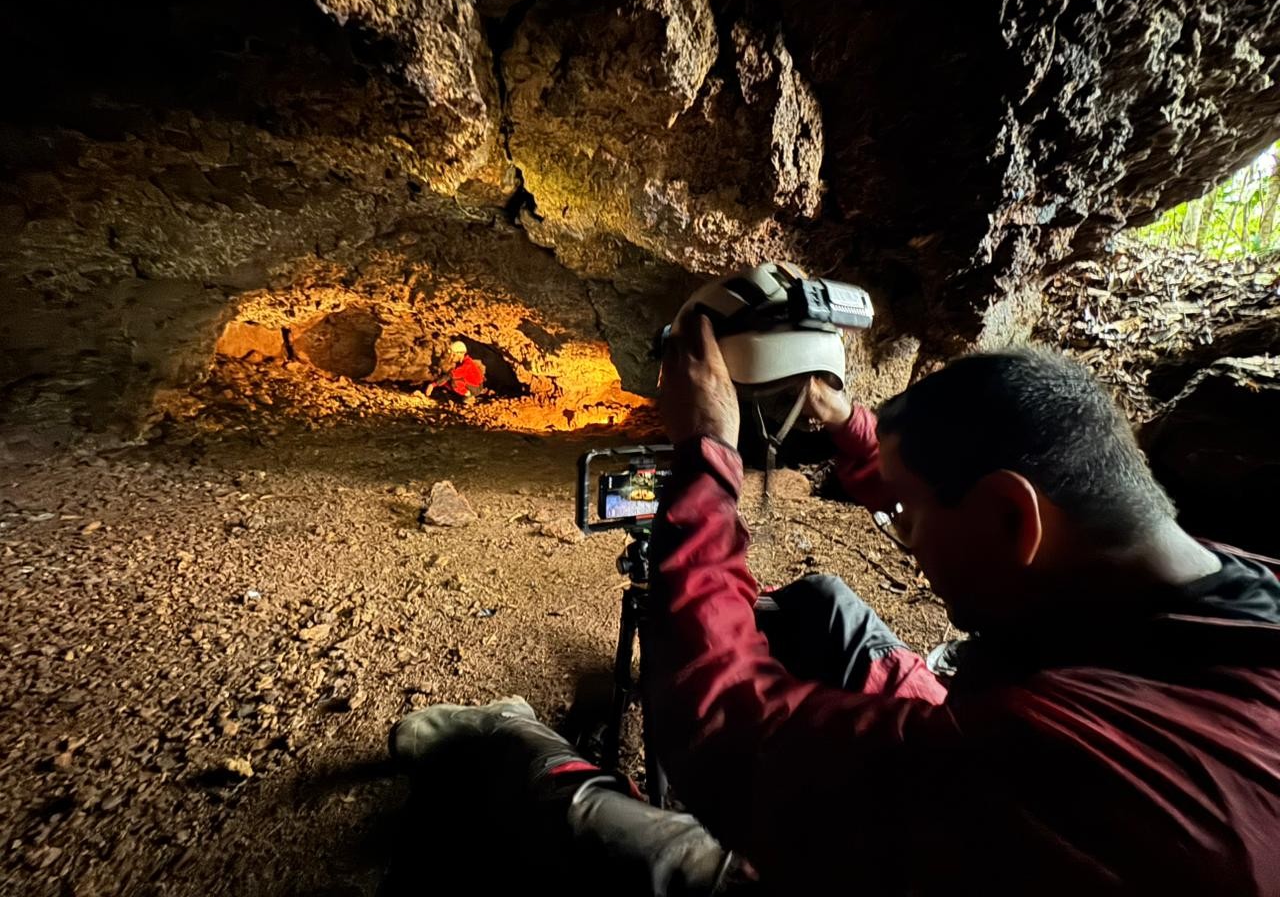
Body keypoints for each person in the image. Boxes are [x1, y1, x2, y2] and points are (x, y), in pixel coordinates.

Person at [387, 322, 1280, 895]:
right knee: (824, 604)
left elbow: (729, 732)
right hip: (1009, 777)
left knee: (651, 854)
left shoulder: (1081, 765)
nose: (903, 535)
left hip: (983, 836)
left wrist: (706, 462)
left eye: (910, 514)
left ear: (1013, 516)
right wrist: (846, 420)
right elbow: (953, 513)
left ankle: (509, 739)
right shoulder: (1229, 594)